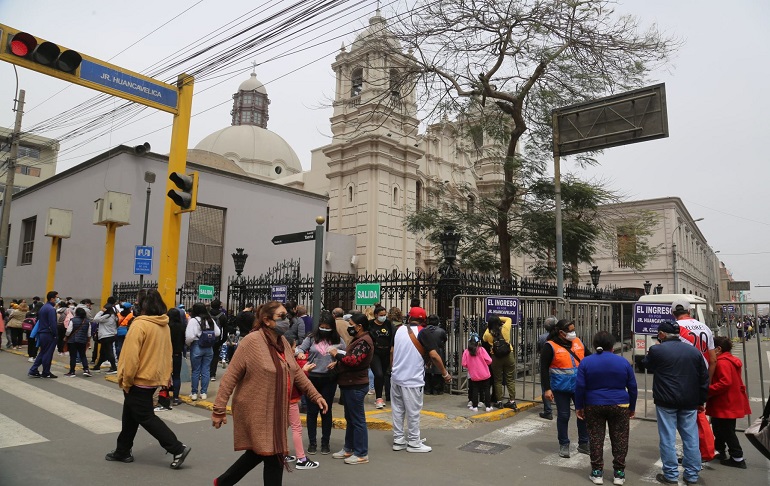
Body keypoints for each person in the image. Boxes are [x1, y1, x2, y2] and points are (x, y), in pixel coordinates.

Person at [211, 300, 327, 485]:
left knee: (261, 452)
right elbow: (230, 376)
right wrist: (219, 409)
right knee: (273, 454)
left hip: (276, 410)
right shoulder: (251, 342)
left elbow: (295, 372)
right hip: (255, 408)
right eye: (281, 317)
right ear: (266, 320)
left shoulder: (282, 342)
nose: (286, 321)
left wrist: (316, 395)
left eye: (286, 316)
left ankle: (223, 482)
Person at [106, 288, 191, 469]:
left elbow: (130, 357)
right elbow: (166, 352)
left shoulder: (140, 324)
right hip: (152, 377)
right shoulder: (163, 324)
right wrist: (164, 377)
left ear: (143, 305)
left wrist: (126, 380)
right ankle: (122, 450)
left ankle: (177, 448)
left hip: (139, 378)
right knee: (130, 415)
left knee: (145, 417)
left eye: (137, 302)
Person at [643, 321, 708, 485]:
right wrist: (701, 400)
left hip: (666, 400)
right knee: (691, 437)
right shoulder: (694, 351)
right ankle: (692, 474)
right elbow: (703, 378)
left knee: (667, 437)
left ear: (663, 334)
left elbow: (645, 364)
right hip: (690, 400)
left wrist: (653, 350)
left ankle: (671, 475)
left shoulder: (657, 349)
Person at [575, 331, 638, 486]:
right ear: (612, 345)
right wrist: (632, 406)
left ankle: (597, 473)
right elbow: (633, 387)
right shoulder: (622, 362)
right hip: (620, 404)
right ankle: (619, 474)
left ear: (595, 345)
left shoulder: (586, 362)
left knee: (596, 438)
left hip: (593, 404)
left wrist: (579, 406)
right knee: (620, 438)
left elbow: (580, 386)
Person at [390, 306, 450, 454]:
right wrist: (444, 373)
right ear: (424, 320)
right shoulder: (423, 333)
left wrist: (394, 368)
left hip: (396, 377)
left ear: (409, 318)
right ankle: (414, 442)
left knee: (398, 410)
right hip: (412, 379)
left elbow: (392, 351)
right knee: (413, 412)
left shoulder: (399, 330)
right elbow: (435, 356)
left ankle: (398, 440)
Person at [328, 313, 373, 465]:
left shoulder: (364, 341)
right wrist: (338, 363)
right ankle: (349, 448)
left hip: (356, 385)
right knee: (351, 419)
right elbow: (350, 358)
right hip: (349, 383)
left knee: (358, 420)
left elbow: (353, 361)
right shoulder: (359, 340)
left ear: (359, 326)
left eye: (351, 324)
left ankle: (361, 453)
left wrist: (337, 355)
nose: (349, 327)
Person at [296, 311, 344, 455]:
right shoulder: (311, 338)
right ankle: (312, 442)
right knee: (311, 412)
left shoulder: (338, 339)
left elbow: (346, 354)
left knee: (326, 411)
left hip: (329, 379)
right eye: (322, 326)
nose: (324, 329)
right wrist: (299, 353)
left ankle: (325, 442)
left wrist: (336, 362)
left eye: (327, 327)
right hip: (312, 378)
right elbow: (300, 349)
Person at [541, 318, 589, 458]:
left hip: (579, 386)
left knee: (582, 414)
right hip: (560, 387)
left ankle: (584, 443)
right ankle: (564, 444)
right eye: (571, 330)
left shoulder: (578, 342)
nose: (573, 333)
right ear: (561, 333)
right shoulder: (550, 346)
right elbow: (543, 369)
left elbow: (590, 357)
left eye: (574, 330)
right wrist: (547, 389)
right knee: (563, 415)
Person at [706, 336, 752, 469]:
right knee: (719, 428)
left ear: (718, 349)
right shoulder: (728, 360)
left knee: (727, 430)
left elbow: (725, 382)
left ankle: (737, 456)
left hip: (725, 402)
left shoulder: (722, 362)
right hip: (728, 401)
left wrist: (708, 390)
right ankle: (719, 450)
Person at [286, 337, 320, 469]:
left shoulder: (282, 358)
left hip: (285, 400)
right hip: (291, 400)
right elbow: (295, 381)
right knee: (297, 428)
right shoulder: (288, 361)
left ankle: (282, 453)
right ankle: (301, 459)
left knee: (285, 427)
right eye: (294, 347)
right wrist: (304, 371)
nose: (296, 349)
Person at [186, 302, 221, 401]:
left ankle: (194, 393)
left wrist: (189, 344)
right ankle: (204, 392)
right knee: (206, 370)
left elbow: (189, 336)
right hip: (208, 347)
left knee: (196, 371)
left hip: (197, 345)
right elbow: (218, 332)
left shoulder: (193, 321)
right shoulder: (210, 319)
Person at [483, 315, 518, 410]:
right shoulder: (505, 328)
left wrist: (490, 324)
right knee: (510, 379)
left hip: (496, 357)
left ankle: (499, 401)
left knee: (497, 380)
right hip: (509, 355)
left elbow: (484, 339)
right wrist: (498, 317)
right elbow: (509, 319)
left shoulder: (488, 334)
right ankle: (512, 401)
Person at [28, 291, 59, 378]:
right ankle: (46, 372)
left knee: (43, 352)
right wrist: (55, 334)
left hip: (42, 333)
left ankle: (33, 370)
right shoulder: (51, 309)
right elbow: (53, 323)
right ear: (52, 298)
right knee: (47, 354)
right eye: (56, 298)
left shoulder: (43, 307)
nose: (57, 299)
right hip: (48, 334)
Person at [369, 305, 394, 408]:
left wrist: (392, 348)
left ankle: (379, 395)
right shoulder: (370, 324)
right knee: (378, 374)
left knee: (382, 375)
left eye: (384, 315)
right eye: (381, 315)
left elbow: (393, 336)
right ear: (375, 315)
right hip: (375, 352)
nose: (383, 317)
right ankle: (378, 398)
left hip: (386, 352)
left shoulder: (388, 324)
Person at [462, 332, 492, 412]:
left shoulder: (466, 352)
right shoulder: (481, 350)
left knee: (475, 389)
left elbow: (464, 364)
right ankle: (488, 406)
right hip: (485, 374)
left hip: (474, 375)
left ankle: (474, 406)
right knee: (486, 390)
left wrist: (471, 365)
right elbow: (489, 360)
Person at [93, 297, 120, 374]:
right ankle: (97, 366)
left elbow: (95, 319)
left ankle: (114, 367)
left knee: (109, 352)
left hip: (106, 336)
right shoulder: (114, 316)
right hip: (112, 335)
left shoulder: (106, 316)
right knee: (103, 352)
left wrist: (101, 311)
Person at [538, 316, 558, 420]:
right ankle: (561, 407)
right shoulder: (560, 337)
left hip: (546, 366)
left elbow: (539, 350)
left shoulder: (542, 337)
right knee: (559, 387)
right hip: (557, 365)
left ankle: (548, 411)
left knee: (546, 387)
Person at [64, 307, 93, 377]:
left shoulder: (73, 320)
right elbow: (89, 333)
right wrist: (88, 341)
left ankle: (72, 371)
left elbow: (68, 331)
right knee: (83, 355)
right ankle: (86, 369)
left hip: (72, 341)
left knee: (73, 356)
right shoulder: (87, 321)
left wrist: (66, 337)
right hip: (83, 340)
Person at [424, 314, 448, 395]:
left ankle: (427, 389)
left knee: (427, 370)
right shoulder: (441, 331)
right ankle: (437, 390)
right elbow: (444, 339)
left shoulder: (424, 330)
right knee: (438, 370)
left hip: (427, 352)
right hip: (438, 351)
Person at [168, 307, 186, 406]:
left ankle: (164, 395)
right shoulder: (182, 327)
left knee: (166, 376)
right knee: (176, 376)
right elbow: (184, 341)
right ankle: (175, 397)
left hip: (166, 354)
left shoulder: (166, 326)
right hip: (177, 354)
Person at [208, 299, 228, 382]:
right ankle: (212, 374)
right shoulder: (222, 316)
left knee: (206, 356)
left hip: (206, 339)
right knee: (215, 357)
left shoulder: (207, 315)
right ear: (219, 306)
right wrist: (222, 341)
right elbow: (225, 330)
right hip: (217, 340)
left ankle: (204, 373)